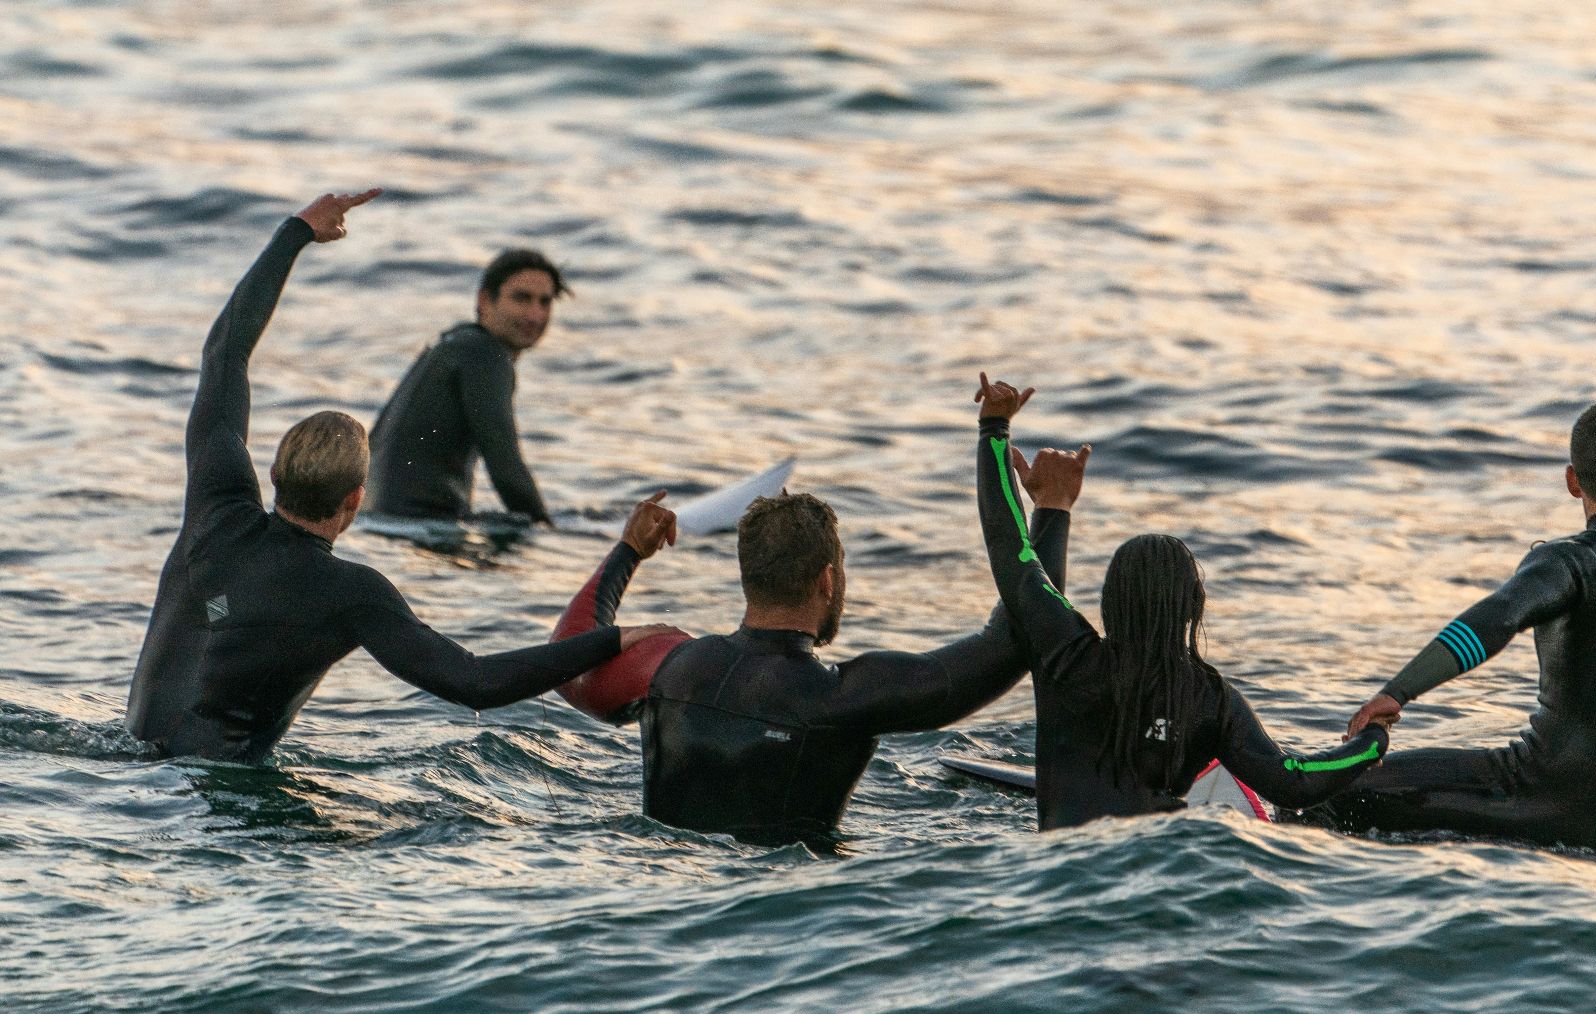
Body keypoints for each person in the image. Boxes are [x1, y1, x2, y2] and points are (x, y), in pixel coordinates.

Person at [124, 192, 658, 762]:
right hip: (216, 795)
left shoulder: (215, 507)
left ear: (276, 473)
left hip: (124, 763)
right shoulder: (352, 592)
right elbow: (473, 681)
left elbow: (224, 353)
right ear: (355, 502)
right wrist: (611, 640)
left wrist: (296, 233)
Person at [1319, 245, 1596, 850]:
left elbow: (1495, 618)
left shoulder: (1572, 562)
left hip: (1527, 805)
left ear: (1572, 481)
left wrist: (1397, 691)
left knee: (1331, 795)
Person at [548, 477, 1074, 844]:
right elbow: (1016, 639)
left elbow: (568, 656)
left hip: (662, 886)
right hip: (791, 925)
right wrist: (1051, 508)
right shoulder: (844, 698)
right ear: (827, 579)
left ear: (748, 576)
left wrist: (628, 552)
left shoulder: (669, 664)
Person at [973, 375, 1391, 831]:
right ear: (1193, 608)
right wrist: (1372, 740)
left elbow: (1011, 549)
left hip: (1065, 865)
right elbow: (1295, 781)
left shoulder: (1067, 657)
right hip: (1171, 862)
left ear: (1110, 600)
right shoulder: (1210, 699)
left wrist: (994, 431)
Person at [365, 248, 571, 522]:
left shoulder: (454, 345)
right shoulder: (484, 354)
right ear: (484, 300)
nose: (535, 315)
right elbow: (507, 470)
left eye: (545, 302)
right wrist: (549, 532)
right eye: (522, 299)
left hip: (378, 518)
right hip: (418, 523)